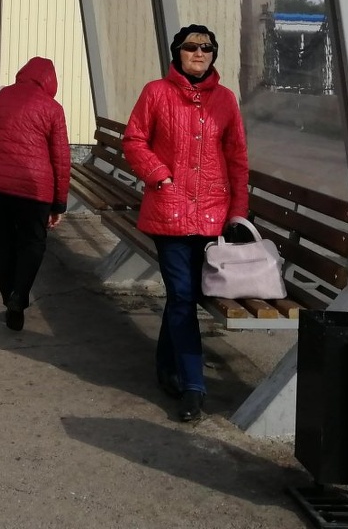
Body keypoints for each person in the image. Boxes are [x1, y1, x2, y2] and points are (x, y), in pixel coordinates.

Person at [122, 24, 252, 423]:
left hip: (213, 215)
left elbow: (237, 158)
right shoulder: (155, 93)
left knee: (185, 296)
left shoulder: (226, 101)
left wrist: (238, 212)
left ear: (215, 54)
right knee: (182, 295)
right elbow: (133, 139)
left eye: (207, 47)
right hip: (169, 213)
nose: (199, 53)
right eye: (191, 47)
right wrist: (160, 176)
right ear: (177, 52)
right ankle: (194, 386)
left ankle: (166, 367)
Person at [0, 57, 72, 332]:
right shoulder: (52, 109)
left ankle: (7, 294)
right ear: (50, 82)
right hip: (34, 189)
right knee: (32, 243)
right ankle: (18, 297)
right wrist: (58, 204)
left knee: (1, 241)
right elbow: (61, 159)